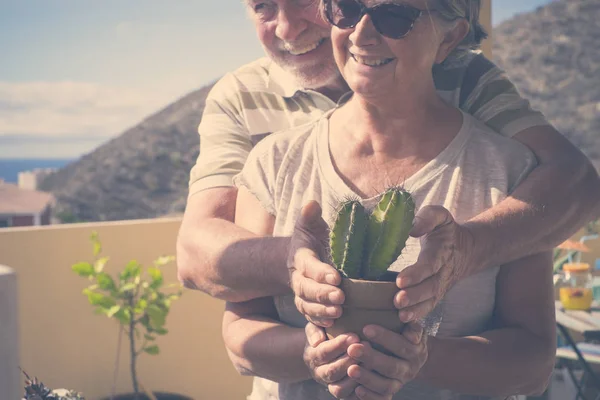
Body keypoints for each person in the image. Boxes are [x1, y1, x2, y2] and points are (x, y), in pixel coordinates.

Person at [176, 0, 599, 329]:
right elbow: (196, 254)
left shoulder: (461, 73)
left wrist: (463, 252)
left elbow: (573, 181)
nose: (286, 28)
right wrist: (302, 263)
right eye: (262, 6)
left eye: (304, 1)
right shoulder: (240, 97)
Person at [222, 0, 557, 398]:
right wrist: (313, 354)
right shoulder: (274, 161)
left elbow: (533, 362)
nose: (361, 34)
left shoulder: (508, 170)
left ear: (449, 37)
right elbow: (240, 336)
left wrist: (419, 359)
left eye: (394, 15)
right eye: (345, 9)